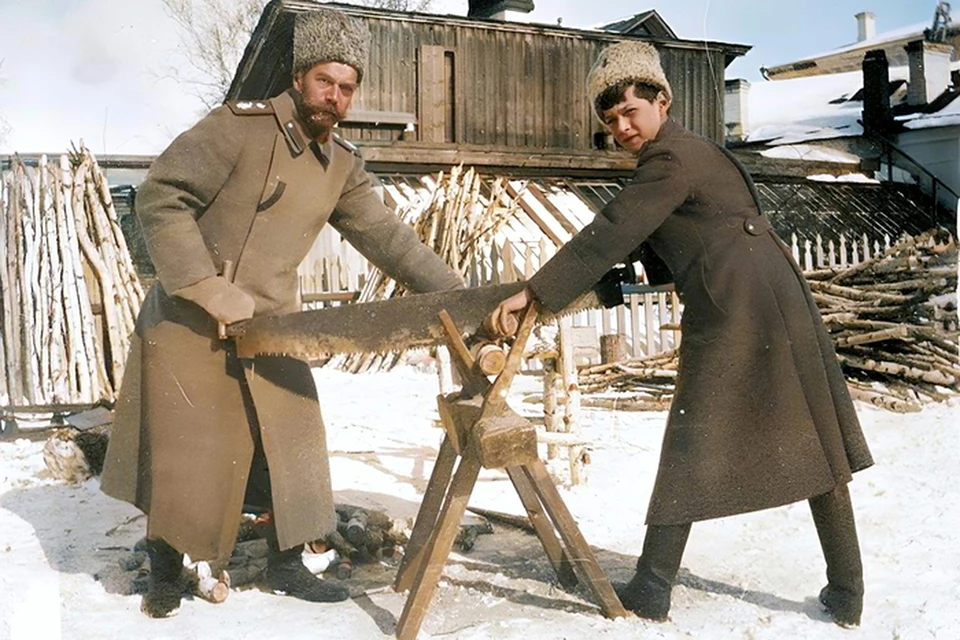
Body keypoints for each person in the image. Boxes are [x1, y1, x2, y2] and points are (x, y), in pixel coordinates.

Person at [485, 41, 873, 628]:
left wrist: (536, 292)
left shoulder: (666, 161)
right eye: (610, 120)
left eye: (630, 113)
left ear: (661, 101)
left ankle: (653, 586)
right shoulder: (692, 150)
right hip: (770, 295)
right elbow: (688, 229)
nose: (621, 127)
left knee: (694, 436)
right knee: (815, 437)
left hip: (735, 305)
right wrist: (643, 267)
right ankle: (847, 591)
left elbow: (613, 228)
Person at [100, 8, 463, 618]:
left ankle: (288, 563)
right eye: (326, 81)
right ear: (299, 77)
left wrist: (459, 297)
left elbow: (391, 240)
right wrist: (205, 285)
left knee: (291, 441)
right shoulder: (237, 129)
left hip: (272, 325)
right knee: (185, 451)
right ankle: (165, 571)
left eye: (347, 87)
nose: (336, 97)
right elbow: (161, 195)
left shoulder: (340, 164)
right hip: (192, 319)